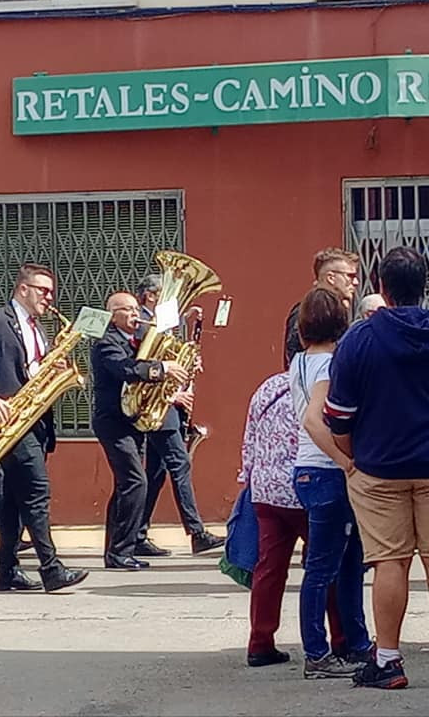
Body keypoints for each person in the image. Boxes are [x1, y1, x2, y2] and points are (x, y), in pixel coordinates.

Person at [325, 247, 429, 689]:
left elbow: (338, 414)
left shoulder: (359, 340)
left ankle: (389, 661)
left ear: (381, 286)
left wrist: (351, 457)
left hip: (378, 468)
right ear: (426, 286)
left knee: (389, 563)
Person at [0, 263, 88, 593]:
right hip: (7, 422)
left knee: (14, 502)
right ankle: (51, 567)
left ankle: (7, 572)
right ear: (23, 289)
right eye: (43, 290)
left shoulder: (39, 329)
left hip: (31, 423)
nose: (49, 296)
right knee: (36, 493)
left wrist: (51, 366)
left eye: (50, 290)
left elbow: (30, 371)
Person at [290, 289, 372, 679]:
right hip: (326, 471)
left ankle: (356, 641)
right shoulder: (327, 366)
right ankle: (317, 653)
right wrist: (345, 462)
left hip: (309, 470)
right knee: (323, 568)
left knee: (350, 560)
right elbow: (312, 420)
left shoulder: (299, 362)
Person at [92, 290, 187, 570]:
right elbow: (127, 370)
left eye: (137, 310)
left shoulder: (133, 341)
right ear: (113, 314)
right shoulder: (106, 342)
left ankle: (117, 549)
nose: (136, 315)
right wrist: (161, 367)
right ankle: (120, 551)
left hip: (130, 421)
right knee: (136, 481)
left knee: (126, 484)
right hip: (113, 423)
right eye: (129, 310)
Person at [133, 275, 224, 558]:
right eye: (166, 295)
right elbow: (143, 368)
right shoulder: (142, 327)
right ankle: (197, 533)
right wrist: (173, 396)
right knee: (180, 465)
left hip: (166, 407)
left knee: (156, 473)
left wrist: (188, 357)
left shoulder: (158, 325)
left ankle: (138, 534)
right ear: (150, 296)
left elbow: (170, 356)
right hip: (159, 407)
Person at [240, 366, 299, 666]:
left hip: (265, 488)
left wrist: (249, 477)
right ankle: (339, 639)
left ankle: (260, 642)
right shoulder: (322, 382)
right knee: (327, 568)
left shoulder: (267, 387)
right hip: (306, 487)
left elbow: (250, 438)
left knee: (269, 569)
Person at [284, 248, 360, 369]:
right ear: (331, 278)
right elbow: (293, 357)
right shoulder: (306, 311)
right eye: (350, 276)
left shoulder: (340, 309)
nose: (355, 282)